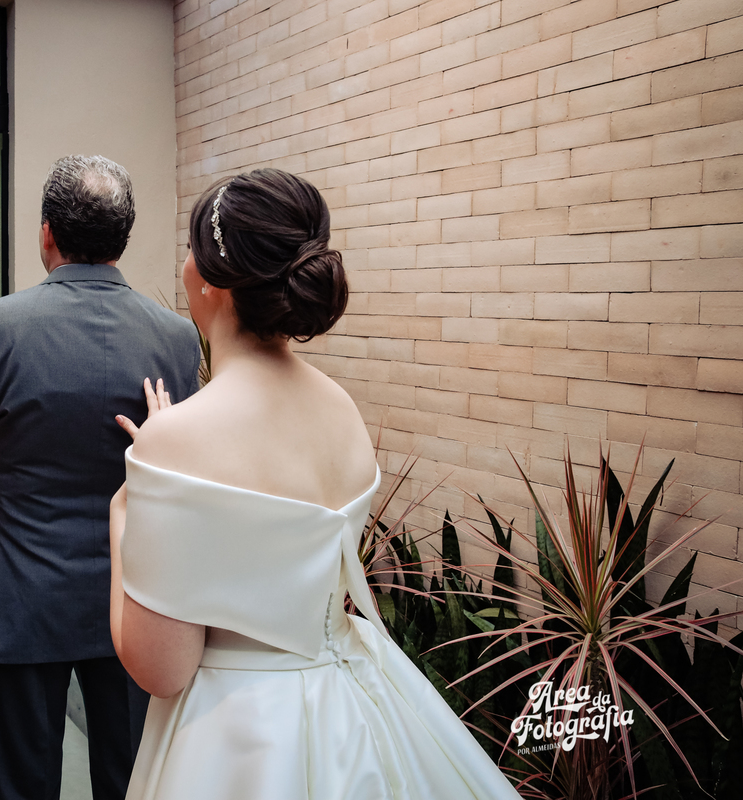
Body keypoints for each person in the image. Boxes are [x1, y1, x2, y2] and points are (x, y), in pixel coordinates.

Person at [108, 169, 523, 799]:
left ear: (210, 282)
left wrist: (132, 502)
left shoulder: (175, 441)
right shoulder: (341, 410)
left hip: (235, 735)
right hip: (351, 706)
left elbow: (161, 668)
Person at [0, 154, 202, 800]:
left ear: (46, 231)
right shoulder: (177, 337)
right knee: (132, 779)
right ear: (125, 237)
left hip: (18, 591)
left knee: (22, 784)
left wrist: (6, 519)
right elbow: (177, 466)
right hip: (137, 596)